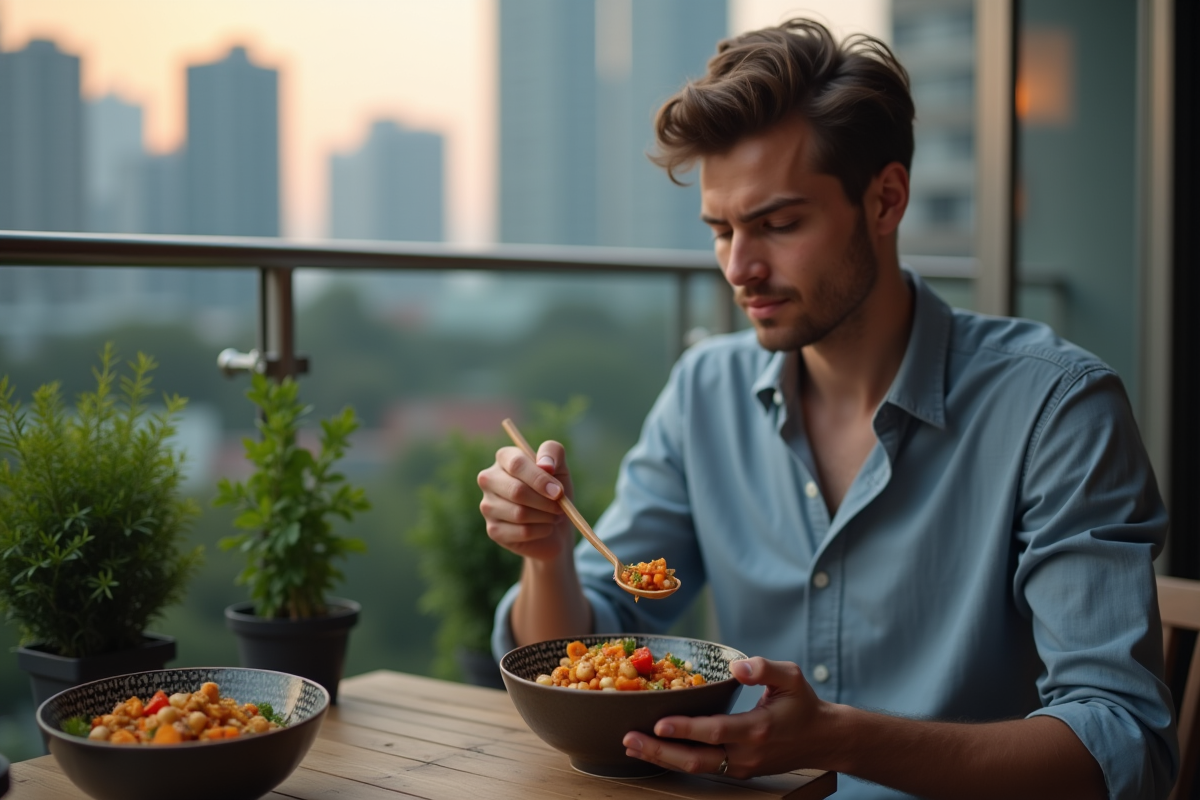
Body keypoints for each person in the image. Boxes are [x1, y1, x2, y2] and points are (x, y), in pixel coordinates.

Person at [477, 18, 1176, 800]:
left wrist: (839, 739)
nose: (740, 268)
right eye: (721, 230)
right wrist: (546, 555)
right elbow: (583, 644)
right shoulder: (705, 392)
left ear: (886, 200)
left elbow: (1122, 745)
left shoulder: (1056, 409)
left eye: (778, 225)